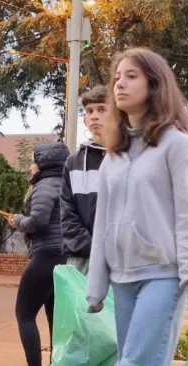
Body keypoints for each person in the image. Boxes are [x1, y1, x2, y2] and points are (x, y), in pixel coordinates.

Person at [82, 48, 188, 366]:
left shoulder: (177, 147)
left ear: (154, 85)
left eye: (131, 77)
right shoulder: (114, 154)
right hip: (123, 278)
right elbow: (103, 224)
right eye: (117, 76)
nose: (119, 84)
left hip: (164, 275)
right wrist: (96, 285)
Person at [8, 142, 69, 366]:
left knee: (24, 313)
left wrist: (17, 220)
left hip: (46, 255)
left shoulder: (45, 185)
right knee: (55, 316)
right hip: (64, 256)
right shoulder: (67, 183)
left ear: (44, 163)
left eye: (34, 160)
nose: (32, 166)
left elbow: (38, 221)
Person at [60, 85, 108, 274]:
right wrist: (93, 248)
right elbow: (67, 214)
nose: (94, 116)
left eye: (102, 109)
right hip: (81, 260)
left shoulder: (132, 156)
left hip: (123, 262)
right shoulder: (74, 162)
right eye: (89, 111)